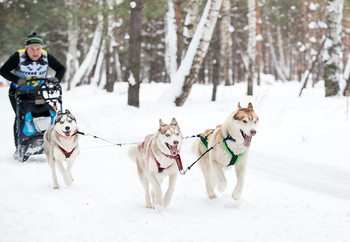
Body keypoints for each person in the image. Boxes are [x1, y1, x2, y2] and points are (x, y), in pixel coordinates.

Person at [0, 32, 66, 153]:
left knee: (43, 113)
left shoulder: (46, 56)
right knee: (21, 117)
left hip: (36, 92)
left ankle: (40, 140)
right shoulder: (18, 56)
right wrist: (17, 80)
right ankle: (20, 147)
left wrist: (56, 80)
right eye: (32, 49)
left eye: (38, 49)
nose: (35, 52)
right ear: (27, 49)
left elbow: (61, 68)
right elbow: (3, 71)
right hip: (17, 92)